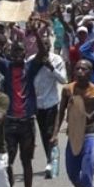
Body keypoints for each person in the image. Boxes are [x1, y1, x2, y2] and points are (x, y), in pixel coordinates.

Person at [0, 26, 46, 187]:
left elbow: (42, 52)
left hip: (27, 122)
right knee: (6, 162)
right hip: (9, 122)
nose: (17, 55)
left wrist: (36, 33)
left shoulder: (30, 67)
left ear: (25, 53)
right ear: (10, 54)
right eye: (14, 52)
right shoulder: (6, 66)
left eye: (21, 52)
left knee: (26, 162)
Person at [30, 36, 67, 179]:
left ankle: (51, 163)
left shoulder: (56, 60)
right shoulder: (32, 60)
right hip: (37, 104)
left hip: (51, 102)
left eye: (46, 44)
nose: (44, 47)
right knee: (44, 134)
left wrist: (51, 68)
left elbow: (63, 79)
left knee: (51, 133)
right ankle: (50, 159)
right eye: (41, 44)